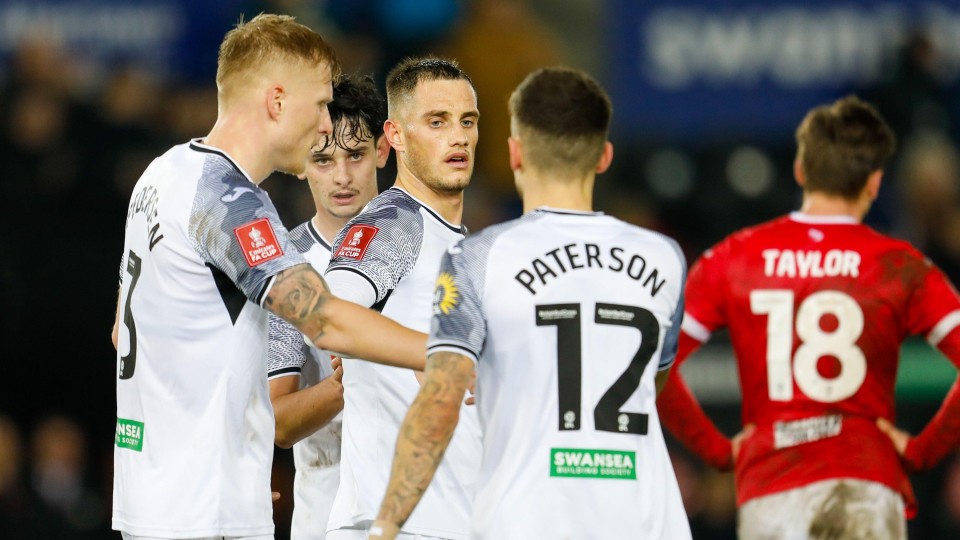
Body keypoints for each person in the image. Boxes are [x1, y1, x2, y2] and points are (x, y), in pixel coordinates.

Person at [110, 14, 427, 540]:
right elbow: (323, 321)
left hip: (159, 497)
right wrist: (444, 351)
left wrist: (241, 449)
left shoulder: (162, 173)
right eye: (322, 103)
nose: (327, 123)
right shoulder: (229, 200)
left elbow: (124, 327)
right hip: (201, 516)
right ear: (277, 101)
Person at [369, 67, 692, 540]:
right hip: (648, 521)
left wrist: (387, 525)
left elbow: (439, 403)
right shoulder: (664, 258)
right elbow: (654, 379)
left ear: (515, 153)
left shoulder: (478, 257)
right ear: (603, 157)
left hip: (529, 518)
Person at [656, 95, 960, 539]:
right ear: (874, 183)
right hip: (867, 479)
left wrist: (719, 452)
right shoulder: (901, 264)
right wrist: (922, 451)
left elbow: (654, 369)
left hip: (773, 485)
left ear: (800, 172)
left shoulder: (734, 257)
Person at [322, 57, 482, 540]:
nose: (458, 137)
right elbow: (327, 316)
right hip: (390, 526)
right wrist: (428, 351)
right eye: (437, 122)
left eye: (467, 122)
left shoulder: (462, 245)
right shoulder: (394, 224)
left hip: (451, 522)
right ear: (394, 135)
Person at [267, 73, 388, 539]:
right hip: (326, 520)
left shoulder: (427, 248)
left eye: (355, 155)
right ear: (301, 164)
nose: (341, 176)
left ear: (382, 150)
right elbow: (280, 422)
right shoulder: (282, 264)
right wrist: (349, 379)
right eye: (323, 160)